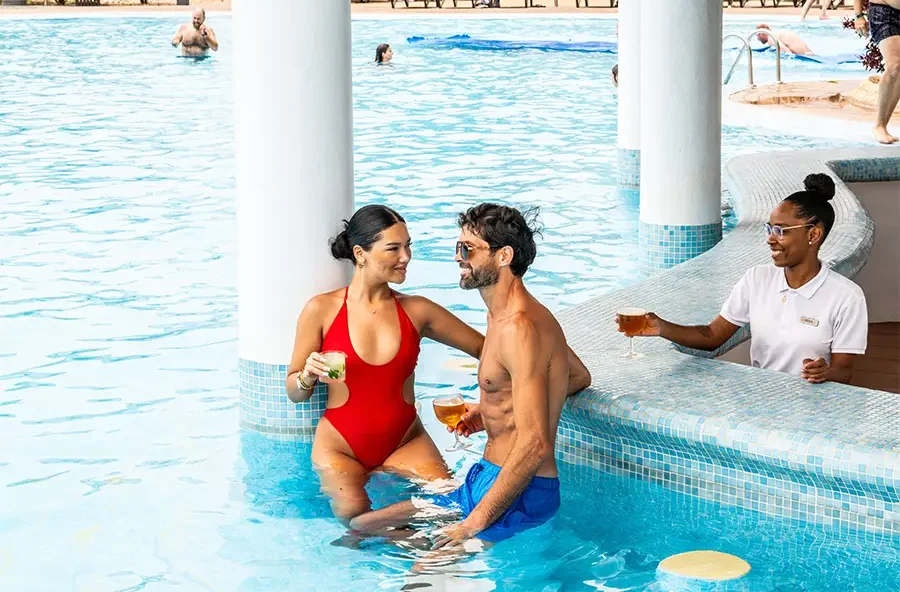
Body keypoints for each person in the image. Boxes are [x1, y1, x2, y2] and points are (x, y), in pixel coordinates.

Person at [349, 203, 592, 546]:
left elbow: (535, 445)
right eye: (458, 247)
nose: (458, 257)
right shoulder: (504, 315)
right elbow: (579, 376)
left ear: (504, 256)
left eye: (468, 249)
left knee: (424, 577)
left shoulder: (520, 328)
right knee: (362, 527)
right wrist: (497, 409)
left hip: (521, 493)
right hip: (483, 478)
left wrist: (470, 526)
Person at [286, 205, 485, 523]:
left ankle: (406, 547)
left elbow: (485, 349)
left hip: (405, 442)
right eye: (393, 248)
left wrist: (492, 402)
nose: (405, 257)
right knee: (354, 515)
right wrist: (307, 376)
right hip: (341, 449)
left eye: (408, 246)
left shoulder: (418, 311)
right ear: (360, 253)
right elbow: (294, 392)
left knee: (451, 505)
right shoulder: (321, 310)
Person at [616, 174, 868, 385]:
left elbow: (844, 370)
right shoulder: (757, 279)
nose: (770, 238)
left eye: (780, 230)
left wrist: (824, 372)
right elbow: (713, 335)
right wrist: (661, 327)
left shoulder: (846, 297)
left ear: (813, 234)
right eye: (769, 228)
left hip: (813, 403)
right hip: (759, 398)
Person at [854, 0, 900, 144]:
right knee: (894, 66)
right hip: (884, 12)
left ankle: (883, 125)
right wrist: (858, 15)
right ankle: (879, 125)